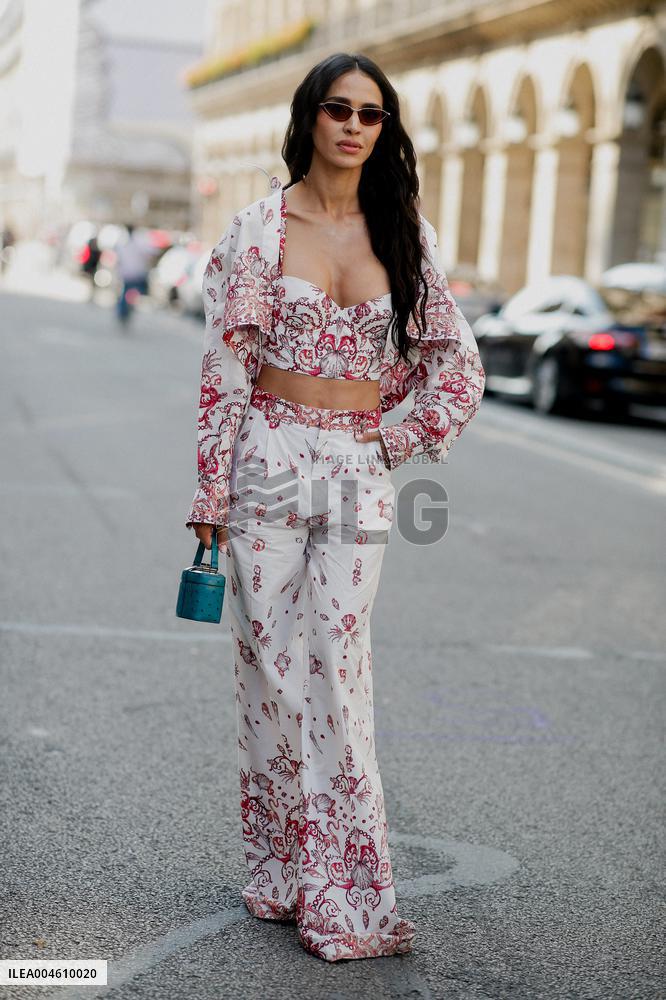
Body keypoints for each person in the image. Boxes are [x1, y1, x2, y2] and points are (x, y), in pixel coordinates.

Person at [185, 52, 486, 962]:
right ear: (309, 119)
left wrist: (391, 442)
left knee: (336, 668)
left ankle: (347, 896)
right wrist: (208, 491)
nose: (355, 126)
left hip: (357, 469)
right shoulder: (254, 231)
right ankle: (281, 873)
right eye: (338, 109)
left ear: (383, 130)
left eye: (372, 114)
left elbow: (458, 371)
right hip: (265, 457)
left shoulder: (406, 236)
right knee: (272, 675)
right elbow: (226, 368)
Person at [115, 223, 152, 323]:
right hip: (135, 273)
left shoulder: (123, 243)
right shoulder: (137, 242)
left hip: (128, 273)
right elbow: (148, 252)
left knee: (127, 292)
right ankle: (124, 311)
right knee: (132, 292)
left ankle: (124, 311)